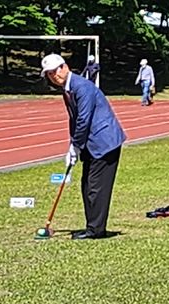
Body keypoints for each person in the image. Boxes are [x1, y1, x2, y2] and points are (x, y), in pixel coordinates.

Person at [40, 53, 126, 240]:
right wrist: (73, 145)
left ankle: (96, 230)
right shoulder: (68, 89)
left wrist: (76, 146)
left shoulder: (81, 87)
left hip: (104, 142)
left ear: (65, 67)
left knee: (96, 187)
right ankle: (92, 226)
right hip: (91, 143)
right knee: (87, 185)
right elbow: (74, 119)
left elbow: (83, 119)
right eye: (49, 74)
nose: (53, 76)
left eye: (55, 71)